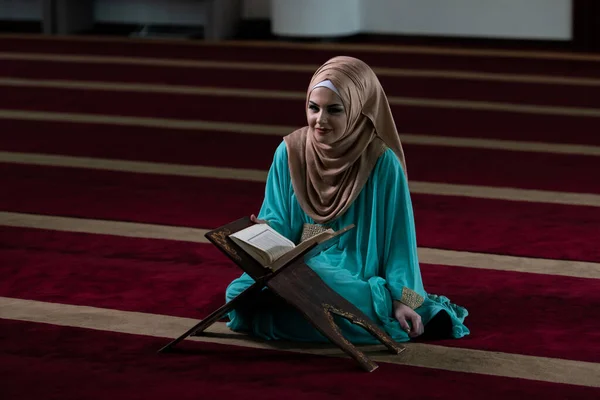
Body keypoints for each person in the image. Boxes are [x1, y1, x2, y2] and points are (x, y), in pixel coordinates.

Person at [225, 56, 469, 343]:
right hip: (297, 263)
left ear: (358, 110)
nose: (320, 120)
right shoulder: (289, 151)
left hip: (351, 272)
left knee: (317, 281)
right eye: (313, 108)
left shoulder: (380, 161)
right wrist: (263, 232)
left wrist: (405, 298)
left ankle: (326, 315)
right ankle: (321, 317)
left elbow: (398, 240)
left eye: (334, 110)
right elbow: (279, 217)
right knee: (238, 291)